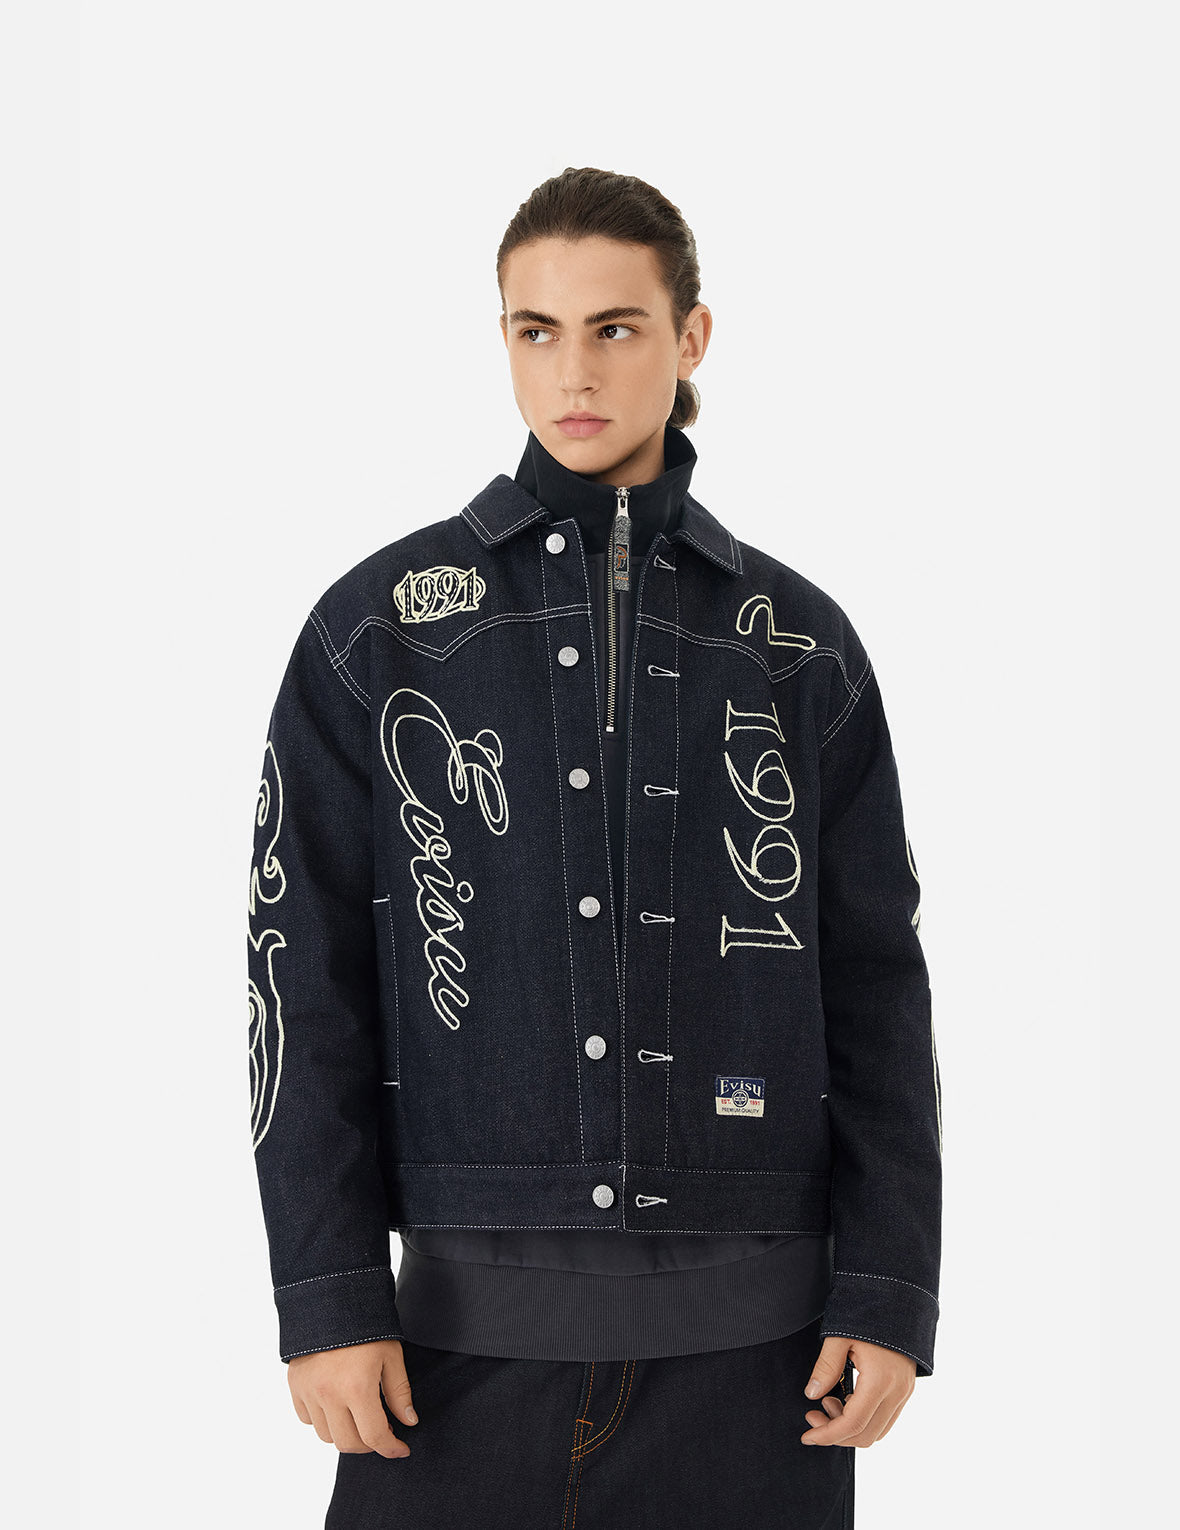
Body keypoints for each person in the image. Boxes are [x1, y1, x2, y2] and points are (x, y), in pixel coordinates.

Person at [246, 166, 942, 1529]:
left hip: (761, 1385)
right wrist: (326, 1294)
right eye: (537, 330)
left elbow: (878, 987)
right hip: (449, 1374)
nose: (573, 371)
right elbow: (298, 979)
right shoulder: (378, 633)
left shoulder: (800, 649)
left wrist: (890, 1285)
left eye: (615, 328)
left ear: (691, 339)